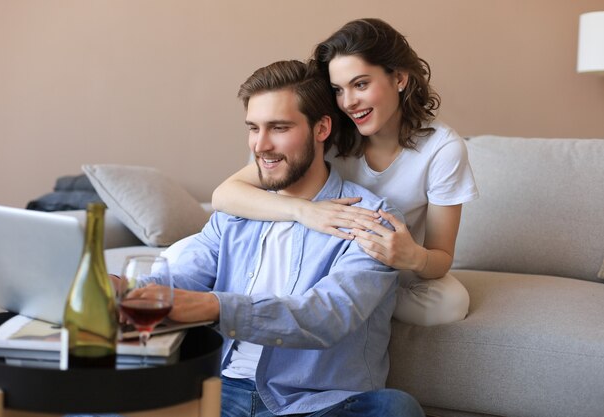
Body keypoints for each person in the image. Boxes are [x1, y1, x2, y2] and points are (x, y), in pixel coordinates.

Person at [134, 60, 425, 416]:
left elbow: (326, 316)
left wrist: (216, 306)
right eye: (253, 128)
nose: (261, 145)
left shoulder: (370, 218)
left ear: (321, 129)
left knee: (396, 409)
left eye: (279, 128)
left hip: (317, 403)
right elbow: (178, 276)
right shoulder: (237, 213)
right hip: (223, 392)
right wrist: (123, 289)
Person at [211, 18, 479, 326]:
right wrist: (304, 211)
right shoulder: (327, 133)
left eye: (361, 84)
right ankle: (318, 298)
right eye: (338, 89)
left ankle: (337, 301)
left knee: (450, 302)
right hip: (313, 255)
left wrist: (412, 257)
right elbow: (225, 194)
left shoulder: (442, 148)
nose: (349, 102)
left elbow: (440, 257)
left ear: (400, 78)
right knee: (177, 256)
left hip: (385, 265)